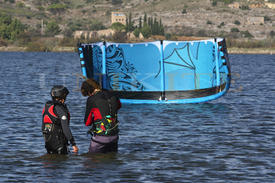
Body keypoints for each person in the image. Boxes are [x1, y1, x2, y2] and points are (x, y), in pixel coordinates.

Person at [81, 79, 121, 153]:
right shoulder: (114, 95)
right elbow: (119, 106)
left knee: (91, 161)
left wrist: (95, 118)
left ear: (89, 91)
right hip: (114, 136)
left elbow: (87, 122)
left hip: (100, 138)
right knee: (112, 160)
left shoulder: (91, 99)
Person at [42, 85, 78, 154]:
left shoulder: (47, 107)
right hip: (59, 145)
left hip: (48, 144)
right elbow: (65, 128)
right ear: (62, 97)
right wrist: (73, 144)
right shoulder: (60, 109)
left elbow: (43, 127)